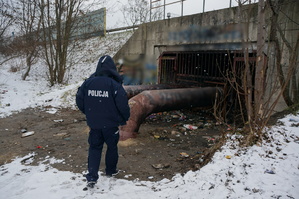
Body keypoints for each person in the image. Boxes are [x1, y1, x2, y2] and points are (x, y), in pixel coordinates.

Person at [76, 55, 130, 189]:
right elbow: (123, 105)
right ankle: (111, 171)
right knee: (112, 147)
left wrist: (89, 113)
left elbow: (79, 100)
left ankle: (92, 177)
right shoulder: (114, 85)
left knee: (94, 148)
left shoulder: (88, 83)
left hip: (94, 124)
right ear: (112, 68)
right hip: (111, 125)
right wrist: (124, 118)